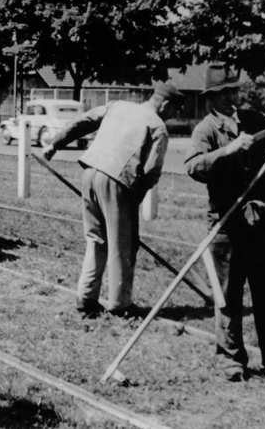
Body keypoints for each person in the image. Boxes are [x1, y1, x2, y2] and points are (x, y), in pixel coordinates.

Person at [184, 64, 265, 386]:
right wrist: (228, 150)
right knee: (228, 296)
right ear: (211, 97)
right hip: (226, 225)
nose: (230, 98)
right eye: (223, 93)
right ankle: (230, 361)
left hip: (260, 221)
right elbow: (194, 167)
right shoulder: (205, 130)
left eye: (233, 91)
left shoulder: (255, 120)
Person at [43, 83, 184, 317]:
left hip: (90, 172)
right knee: (123, 245)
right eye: (175, 110)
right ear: (166, 104)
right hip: (118, 181)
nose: (174, 116)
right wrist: (134, 199)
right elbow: (151, 171)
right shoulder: (157, 126)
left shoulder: (117, 106)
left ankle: (86, 299)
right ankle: (120, 305)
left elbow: (83, 122)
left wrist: (55, 143)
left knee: (95, 239)